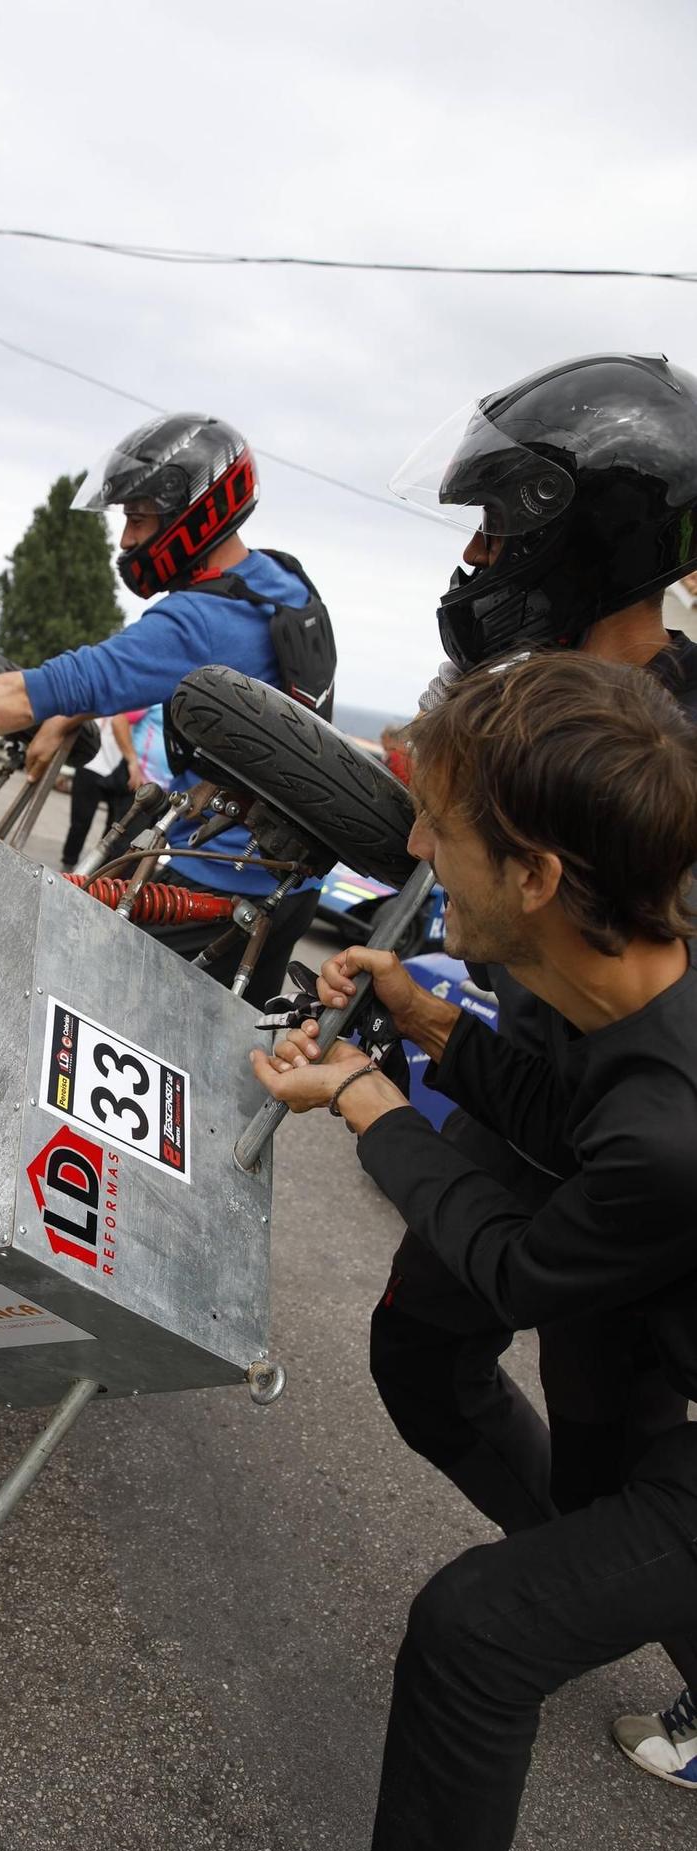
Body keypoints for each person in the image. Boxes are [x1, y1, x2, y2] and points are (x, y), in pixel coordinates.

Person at [250, 652, 697, 1851]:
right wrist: (427, 1022)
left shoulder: (675, 1132)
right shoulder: (633, 997)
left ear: (541, 877)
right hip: (657, 1364)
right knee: (466, 1406)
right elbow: (575, 1121)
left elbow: (517, 1266)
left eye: (440, 825)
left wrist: (365, 1104)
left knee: (478, 1629)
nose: (414, 843)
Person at [374, 354, 697, 1773]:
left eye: (501, 528)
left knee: (612, 1444)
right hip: (526, 1086)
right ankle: (570, 1583)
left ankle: (598, 1600)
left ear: (594, 530)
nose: (475, 559)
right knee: (418, 1348)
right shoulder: (526, 698)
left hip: (637, 1151)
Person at [0, 413, 335, 1005]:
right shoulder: (280, 582)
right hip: (288, 886)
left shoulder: (199, 621)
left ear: (192, 518)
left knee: (43, 1007)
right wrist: (75, 713)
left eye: (138, 520)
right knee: (222, 1062)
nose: (126, 542)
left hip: (214, 887)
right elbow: (189, 684)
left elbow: (30, 691)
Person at [60, 713, 141, 872]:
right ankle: (68, 863)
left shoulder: (133, 707)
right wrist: (65, 770)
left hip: (118, 772)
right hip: (89, 767)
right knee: (80, 822)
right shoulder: (97, 704)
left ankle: (100, 868)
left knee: (115, 828)